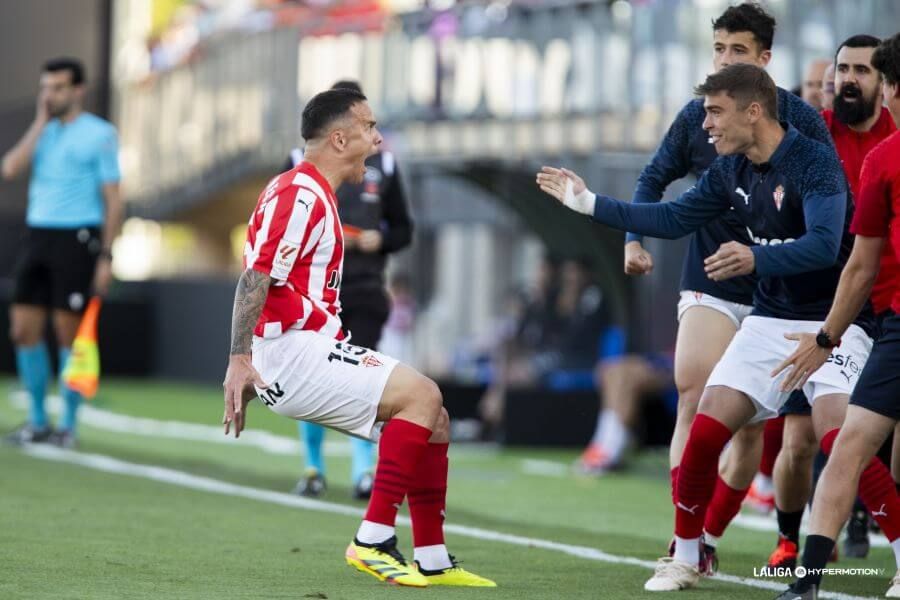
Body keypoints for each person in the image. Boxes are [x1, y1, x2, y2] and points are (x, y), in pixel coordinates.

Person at [537, 63, 900, 593]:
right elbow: (671, 218)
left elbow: (825, 245)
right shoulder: (728, 170)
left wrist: (754, 259)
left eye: (714, 111)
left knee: (840, 439)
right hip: (771, 321)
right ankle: (687, 554)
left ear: (754, 111)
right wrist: (588, 204)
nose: (704, 125)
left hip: (835, 322)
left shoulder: (813, 162)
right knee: (706, 428)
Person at [222, 87, 494, 588]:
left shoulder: (309, 191)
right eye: (370, 128)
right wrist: (240, 358)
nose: (378, 138)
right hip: (291, 350)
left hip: (301, 348)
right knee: (423, 394)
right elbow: (256, 277)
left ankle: (432, 557)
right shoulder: (300, 193)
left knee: (435, 418)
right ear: (341, 138)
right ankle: (372, 539)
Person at [619, 2, 833, 571]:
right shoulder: (698, 114)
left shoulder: (801, 123)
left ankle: (708, 536)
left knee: (746, 435)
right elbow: (653, 177)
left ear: (764, 59)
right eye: (718, 48)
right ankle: (681, 538)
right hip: (712, 275)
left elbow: (826, 211)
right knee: (693, 392)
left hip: (776, 293)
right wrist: (630, 239)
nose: (725, 59)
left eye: (737, 51)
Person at [775, 32, 900, 600]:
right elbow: (859, 266)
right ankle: (807, 576)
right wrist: (828, 334)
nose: (847, 82)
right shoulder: (868, 154)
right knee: (839, 442)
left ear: (888, 86)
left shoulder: (883, 151)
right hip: (876, 318)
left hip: (873, 318)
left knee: (854, 444)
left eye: (864, 72)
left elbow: (860, 263)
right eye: (839, 72)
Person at [283, 80, 414, 502]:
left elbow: (404, 229)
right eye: (363, 122)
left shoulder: (385, 167)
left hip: (363, 287)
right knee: (312, 378)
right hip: (312, 297)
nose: (372, 134)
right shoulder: (296, 168)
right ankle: (313, 466)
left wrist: (382, 240)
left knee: (364, 379)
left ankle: (363, 471)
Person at [2, 58, 122, 448]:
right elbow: (9, 169)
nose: (49, 95)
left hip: (77, 237)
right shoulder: (44, 132)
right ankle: (38, 420)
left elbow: (113, 198)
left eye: (57, 87)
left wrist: (106, 256)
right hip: (38, 235)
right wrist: (39, 123)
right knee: (22, 330)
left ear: (78, 90)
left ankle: (67, 424)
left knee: (69, 335)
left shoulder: (100, 134)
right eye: (46, 87)